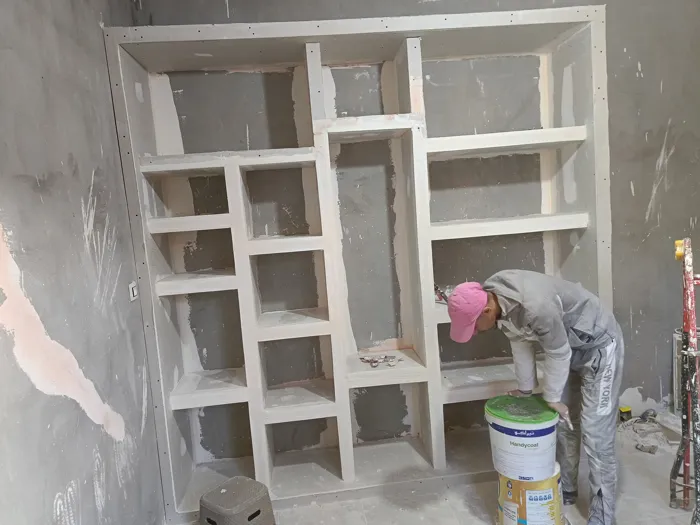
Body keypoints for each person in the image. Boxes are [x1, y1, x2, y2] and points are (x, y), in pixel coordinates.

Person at [447, 269, 623, 525]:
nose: (473, 332)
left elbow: (558, 353)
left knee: (596, 432)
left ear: (486, 310)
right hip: (568, 345)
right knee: (562, 421)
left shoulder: (534, 306)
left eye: (473, 326)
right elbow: (519, 340)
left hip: (599, 345)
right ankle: (566, 490)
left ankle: (603, 517)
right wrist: (526, 388)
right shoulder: (496, 297)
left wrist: (551, 396)